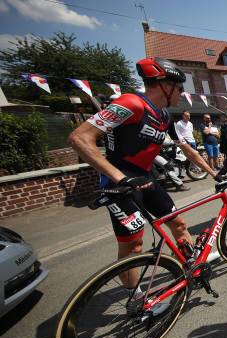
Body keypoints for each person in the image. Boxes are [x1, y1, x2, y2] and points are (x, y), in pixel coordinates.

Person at [68, 57, 217, 304]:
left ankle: (191, 266)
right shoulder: (130, 103)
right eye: (179, 88)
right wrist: (119, 177)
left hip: (146, 178)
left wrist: (213, 173)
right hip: (119, 182)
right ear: (164, 85)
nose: (181, 93)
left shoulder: (165, 115)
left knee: (178, 224)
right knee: (134, 244)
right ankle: (135, 299)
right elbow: (79, 138)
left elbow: (184, 147)